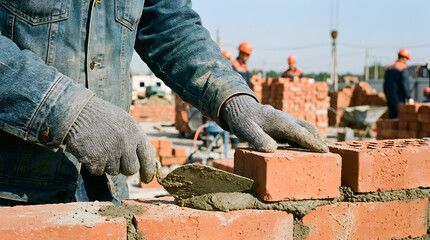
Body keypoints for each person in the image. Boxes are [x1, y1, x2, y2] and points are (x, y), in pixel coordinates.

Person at [0, 0, 327, 206]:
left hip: (106, 192)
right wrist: (65, 110)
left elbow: (170, 26)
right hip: (14, 193)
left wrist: (234, 98)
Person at [383, 48, 413, 119]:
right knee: (399, 120)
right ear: (404, 58)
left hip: (389, 98)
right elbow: (405, 85)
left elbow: (385, 85)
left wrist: (387, 96)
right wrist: (409, 97)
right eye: (407, 60)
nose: (406, 62)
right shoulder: (403, 68)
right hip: (399, 99)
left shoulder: (389, 68)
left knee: (391, 120)